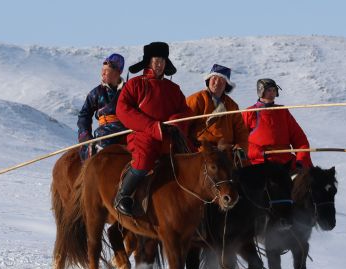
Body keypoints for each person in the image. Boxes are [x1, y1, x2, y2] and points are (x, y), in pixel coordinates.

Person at [114, 42, 192, 216]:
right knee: (144, 161)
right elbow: (123, 110)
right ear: (149, 61)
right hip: (144, 135)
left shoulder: (174, 89)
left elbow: (186, 111)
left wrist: (175, 123)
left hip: (170, 137)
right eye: (156, 60)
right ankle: (123, 195)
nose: (160, 64)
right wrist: (152, 126)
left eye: (163, 60)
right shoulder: (135, 85)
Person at [242, 78, 313, 171]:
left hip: (285, 161)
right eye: (268, 90)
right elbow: (240, 140)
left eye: (274, 90)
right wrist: (257, 152)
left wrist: (301, 159)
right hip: (259, 163)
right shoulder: (249, 113)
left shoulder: (283, 112)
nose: (272, 93)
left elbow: (300, 139)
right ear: (261, 91)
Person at [185, 64, 248, 156]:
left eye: (222, 80)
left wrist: (241, 148)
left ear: (226, 85)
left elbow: (241, 132)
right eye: (214, 78)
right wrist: (188, 146)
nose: (217, 83)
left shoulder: (232, 106)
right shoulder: (196, 99)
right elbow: (183, 125)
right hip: (200, 151)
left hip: (227, 153)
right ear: (209, 80)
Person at [76, 53, 127, 161]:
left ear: (118, 72)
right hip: (105, 133)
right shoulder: (96, 93)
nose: (103, 73)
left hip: (127, 130)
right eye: (102, 70)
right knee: (97, 156)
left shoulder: (129, 90)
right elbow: (84, 115)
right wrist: (85, 135)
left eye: (106, 71)